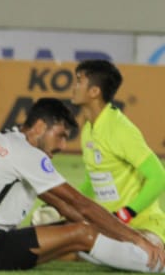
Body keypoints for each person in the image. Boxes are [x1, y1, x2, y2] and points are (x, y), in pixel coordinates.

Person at [0, 97, 165, 272]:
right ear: (39, 126)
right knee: (82, 232)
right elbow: (80, 204)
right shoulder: (25, 153)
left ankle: (140, 254)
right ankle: (157, 264)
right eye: (61, 135)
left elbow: (66, 207)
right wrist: (137, 238)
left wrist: (115, 230)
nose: (63, 145)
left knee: (77, 230)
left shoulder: (4, 140)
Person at [66, 59, 165, 244]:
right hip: (108, 225)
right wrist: (70, 205)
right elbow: (92, 181)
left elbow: (158, 176)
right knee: (53, 235)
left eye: (79, 81)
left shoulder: (120, 129)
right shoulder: (89, 129)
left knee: (138, 254)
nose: (74, 87)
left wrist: (127, 213)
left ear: (94, 91)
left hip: (143, 225)